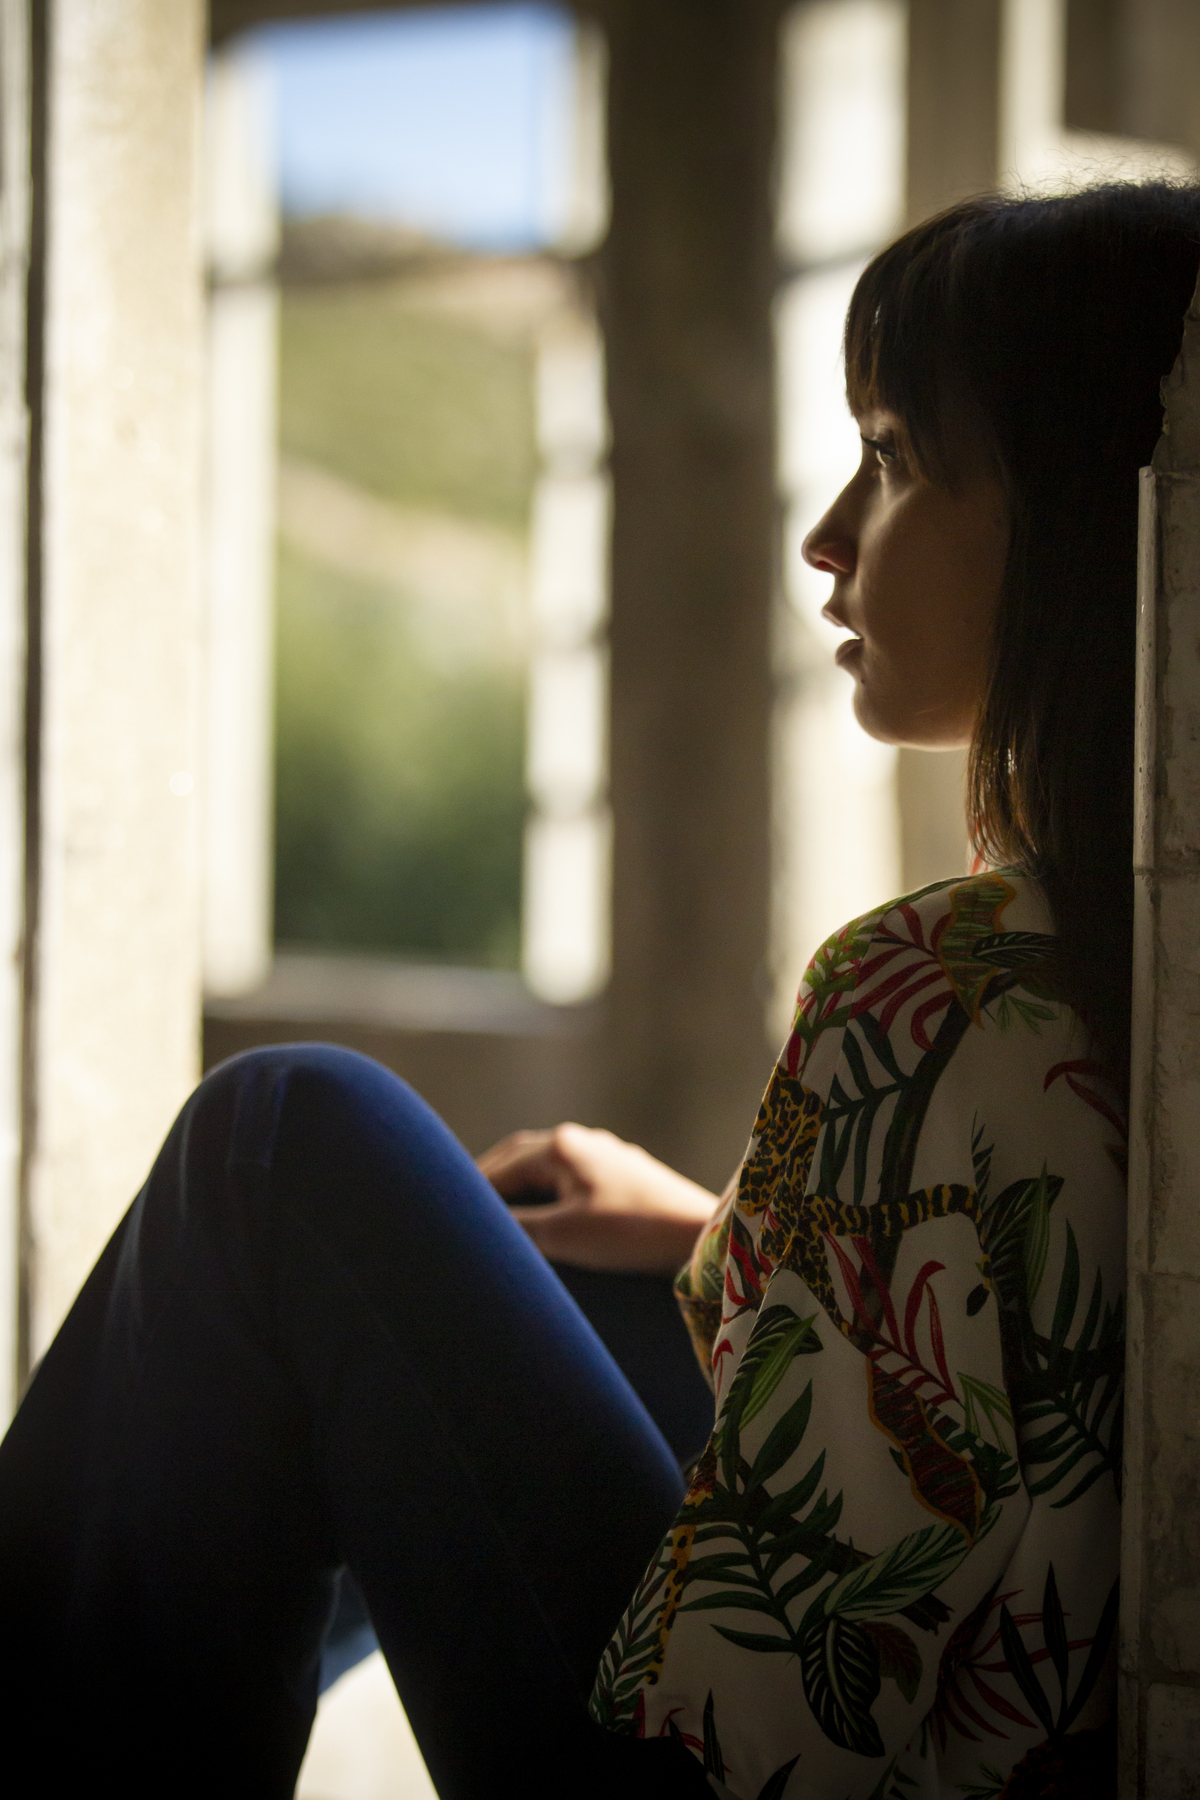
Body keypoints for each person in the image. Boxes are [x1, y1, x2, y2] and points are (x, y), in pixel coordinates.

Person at [0, 179, 1194, 1798]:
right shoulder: (1130, 971)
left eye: (898, 456)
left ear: (1071, 516)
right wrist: (739, 1241)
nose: (828, 535)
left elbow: (754, 1713)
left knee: (284, 1140)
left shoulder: (937, 996)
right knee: (582, 1268)